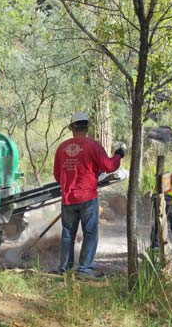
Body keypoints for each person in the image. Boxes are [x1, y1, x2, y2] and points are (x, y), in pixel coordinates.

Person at [53, 111, 124, 279]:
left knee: (67, 234)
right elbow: (108, 166)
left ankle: (64, 268)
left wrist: (69, 182)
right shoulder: (94, 146)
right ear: (87, 127)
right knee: (90, 233)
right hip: (87, 198)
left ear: (71, 128)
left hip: (68, 198)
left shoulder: (62, 148)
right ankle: (84, 269)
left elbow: (57, 174)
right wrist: (118, 155)